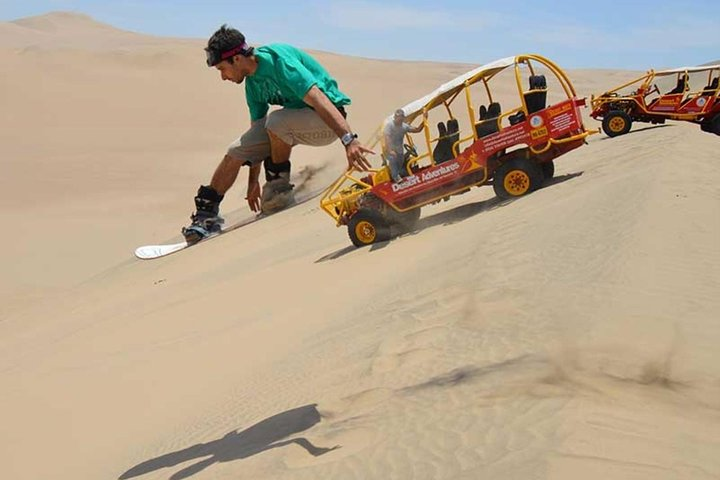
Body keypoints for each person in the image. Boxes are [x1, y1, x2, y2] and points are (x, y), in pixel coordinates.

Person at [182, 25, 374, 243]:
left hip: (327, 121)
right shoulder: (252, 85)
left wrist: (349, 140)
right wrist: (252, 181)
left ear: (236, 59)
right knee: (236, 149)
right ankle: (206, 216)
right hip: (291, 123)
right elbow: (257, 136)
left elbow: (319, 99)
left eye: (222, 69)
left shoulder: (279, 62)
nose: (223, 77)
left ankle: (278, 187)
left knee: (276, 121)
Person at [382, 109, 424, 182]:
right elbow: (387, 138)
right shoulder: (390, 126)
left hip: (399, 152)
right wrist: (390, 150)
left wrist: (424, 119)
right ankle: (396, 178)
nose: (400, 119)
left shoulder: (404, 127)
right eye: (398, 117)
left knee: (405, 161)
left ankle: (406, 175)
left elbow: (417, 129)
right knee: (393, 158)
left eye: (401, 117)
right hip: (389, 151)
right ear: (395, 117)